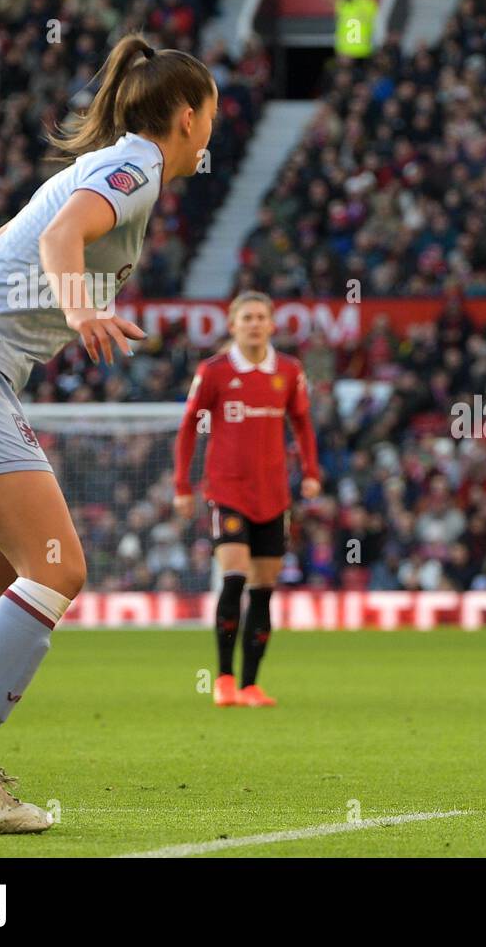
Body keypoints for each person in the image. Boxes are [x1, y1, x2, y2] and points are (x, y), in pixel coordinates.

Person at [0, 34, 218, 833]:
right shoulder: (132, 166)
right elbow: (61, 236)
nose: (214, 127)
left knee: (14, 582)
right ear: (184, 116)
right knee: (60, 568)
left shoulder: (107, 164)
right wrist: (79, 310)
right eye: (211, 112)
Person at [173, 292, 320, 708]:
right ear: (233, 325)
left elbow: (304, 424)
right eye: (247, 317)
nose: (255, 324)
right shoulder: (215, 371)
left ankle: (252, 685)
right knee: (234, 576)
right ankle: (223, 678)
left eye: (261, 317)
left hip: (273, 494)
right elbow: (188, 428)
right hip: (227, 490)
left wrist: (311, 472)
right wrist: (182, 485)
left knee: (263, 588)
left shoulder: (289, 371)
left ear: (272, 325)